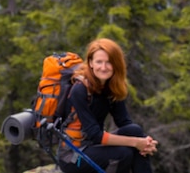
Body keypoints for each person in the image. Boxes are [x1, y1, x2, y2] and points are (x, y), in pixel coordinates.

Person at [58, 38, 158, 173]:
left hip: (93, 146)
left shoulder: (111, 86)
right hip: (73, 156)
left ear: (116, 64)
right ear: (91, 63)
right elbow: (95, 135)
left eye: (109, 62)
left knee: (134, 129)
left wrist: (144, 142)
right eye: (99, 62)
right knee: (124, 153)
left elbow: (124, 122)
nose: (103, 67)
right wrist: (136, 143)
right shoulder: (80, 89)